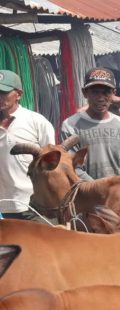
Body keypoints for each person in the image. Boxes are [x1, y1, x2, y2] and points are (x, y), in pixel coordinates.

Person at [61, 67, 120, 181]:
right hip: (86, 195)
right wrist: (99, 190)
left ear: (113, 93)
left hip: (119, 195)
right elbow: (73, 167)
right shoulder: (71, 125)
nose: (100, 98)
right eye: (95, 92)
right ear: (85, 93)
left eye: (106, 92)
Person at [0, 70, 55, 221]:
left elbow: (52, 163)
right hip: (3, 204)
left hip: (33, 204)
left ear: (19, 94)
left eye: (3, 92)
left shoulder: (36, 121)